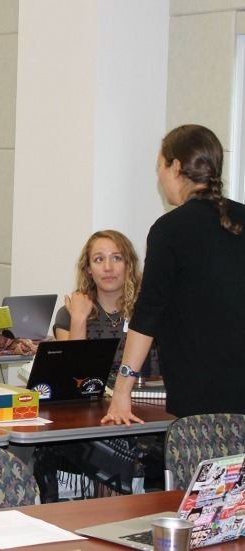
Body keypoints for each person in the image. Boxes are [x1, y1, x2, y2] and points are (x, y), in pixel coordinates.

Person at [105, 124, 245, 425]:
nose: (159, 176)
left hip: (203, 396)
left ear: (176, 166)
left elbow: (148, 313)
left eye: (160, 166)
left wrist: (121, 390)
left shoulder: (170, 229)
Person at [53, 230, 159, 383]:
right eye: (99, 259)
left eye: (116, 258)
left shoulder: (149, 310)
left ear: (128, 265)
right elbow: (73, 374)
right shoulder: (69, 312)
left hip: (145, 400)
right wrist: (79, 319)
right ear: (88, 269)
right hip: (90, 402)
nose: (108, 267)